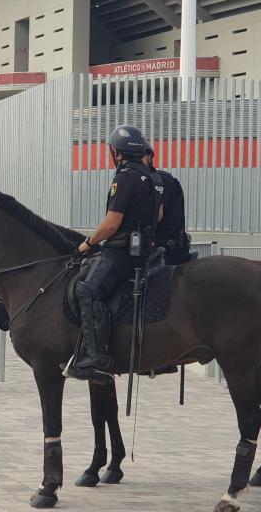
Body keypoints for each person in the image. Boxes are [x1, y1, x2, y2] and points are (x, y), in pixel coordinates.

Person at [67, 124, 162, 384]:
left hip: (122, 253)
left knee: (86, 290)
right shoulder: (154, 177)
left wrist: (87, 243)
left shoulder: (125, 176)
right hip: (146, 251)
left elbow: (111, 223)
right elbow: (160, 215)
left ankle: (96, 358)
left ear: (116, 152)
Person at [143, 142, 191, 265]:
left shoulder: (156, 181)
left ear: (148, 158)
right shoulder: (162, 179)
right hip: (173, 248)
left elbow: (155, 216)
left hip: (165, 253)